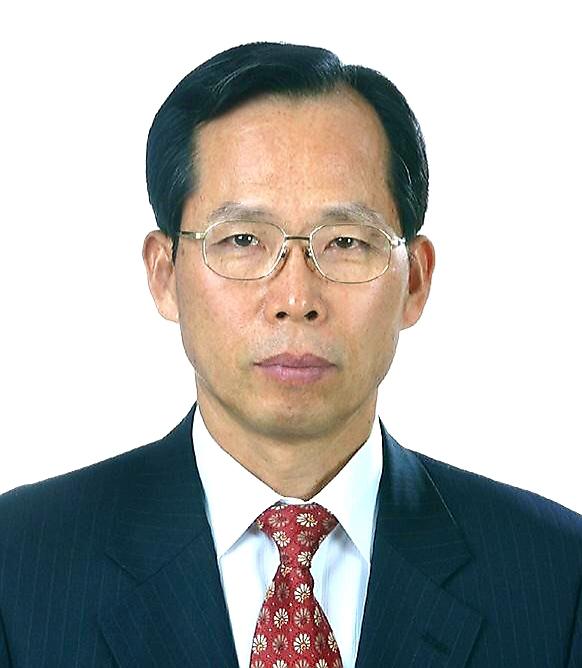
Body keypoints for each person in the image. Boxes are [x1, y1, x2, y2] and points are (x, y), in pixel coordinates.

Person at [0, 41, 580, 668]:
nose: (296, 299)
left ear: (414, 280)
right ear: (165, 274)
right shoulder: (20, 564)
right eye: (243, 239)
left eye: (346, 242)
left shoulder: (555, 576)